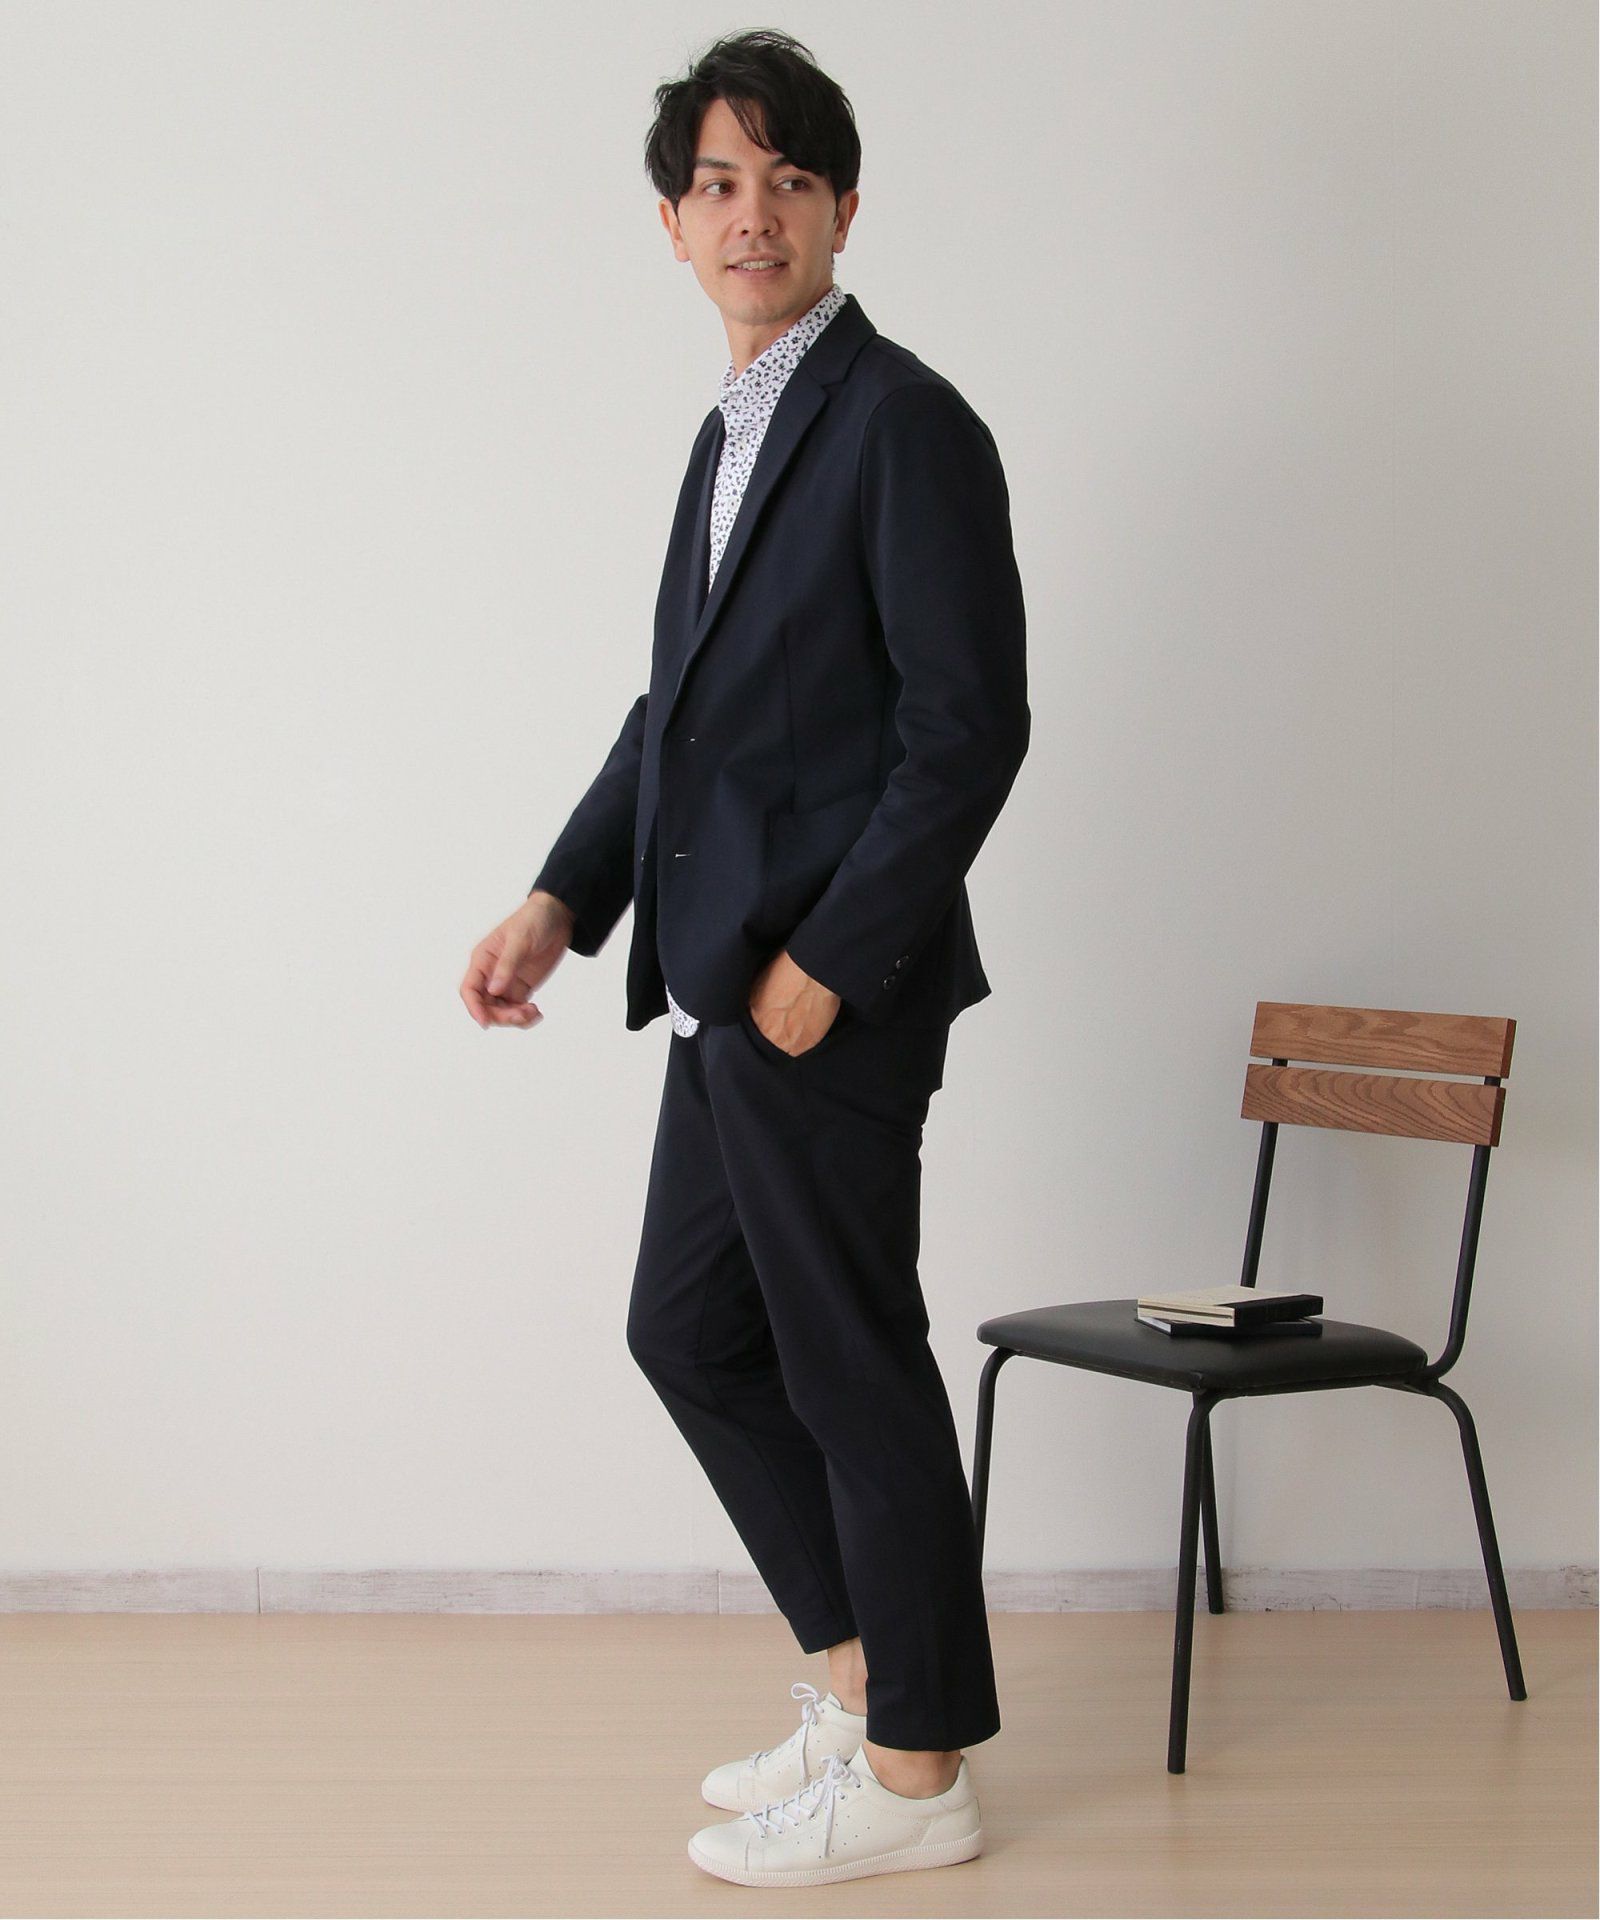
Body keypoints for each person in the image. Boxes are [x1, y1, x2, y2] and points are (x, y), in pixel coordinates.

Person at [459, 28, 1029, 1890]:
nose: (752, 213)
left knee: (852, 1365)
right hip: (723, 983)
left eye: (788, 179)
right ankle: (865, 1684)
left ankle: (921, 1781)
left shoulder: (905, 423)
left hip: (826, 996)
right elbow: (679, 718)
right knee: (688, 1330)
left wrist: (831, 964)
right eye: (718, 182)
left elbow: (969, 729)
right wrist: (562, 898)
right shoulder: (735, 433)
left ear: (846, 207)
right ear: (671, 223)